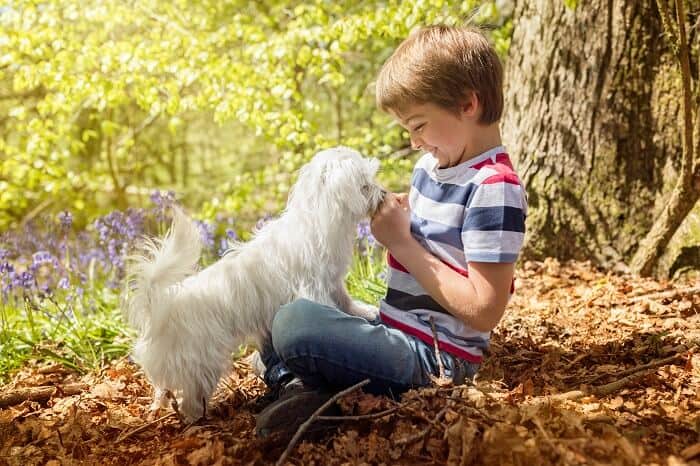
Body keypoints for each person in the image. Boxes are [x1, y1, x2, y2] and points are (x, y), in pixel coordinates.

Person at [254, 24, 527, 438]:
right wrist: (395, 228)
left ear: (468, 104)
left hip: (437, 358)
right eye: (408, 130)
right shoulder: (429, 169)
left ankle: (303, 388)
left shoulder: (494, 189)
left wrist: (402, 241)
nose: (415, 142)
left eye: (419, 125)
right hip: (394, 329)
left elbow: (485, 309)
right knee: (278, 306)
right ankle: (303, 391)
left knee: (293, 326)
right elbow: (410, 259)